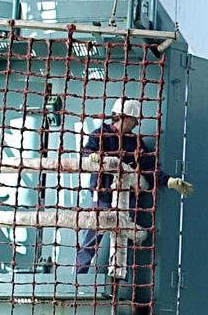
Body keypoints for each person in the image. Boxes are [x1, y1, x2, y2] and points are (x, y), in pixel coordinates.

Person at [75, 97, 194, 275]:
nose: (136, 124)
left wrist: (169, 181)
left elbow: (149, 167)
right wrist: (92, 156)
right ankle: (79, 276)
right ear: (125, 117)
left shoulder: (135, 143)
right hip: (102, 196)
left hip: (125, 200)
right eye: (134, 119)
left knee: (121, 238)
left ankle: (116, 281)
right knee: (90, 239)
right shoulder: (100, 135)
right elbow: (87, 151)